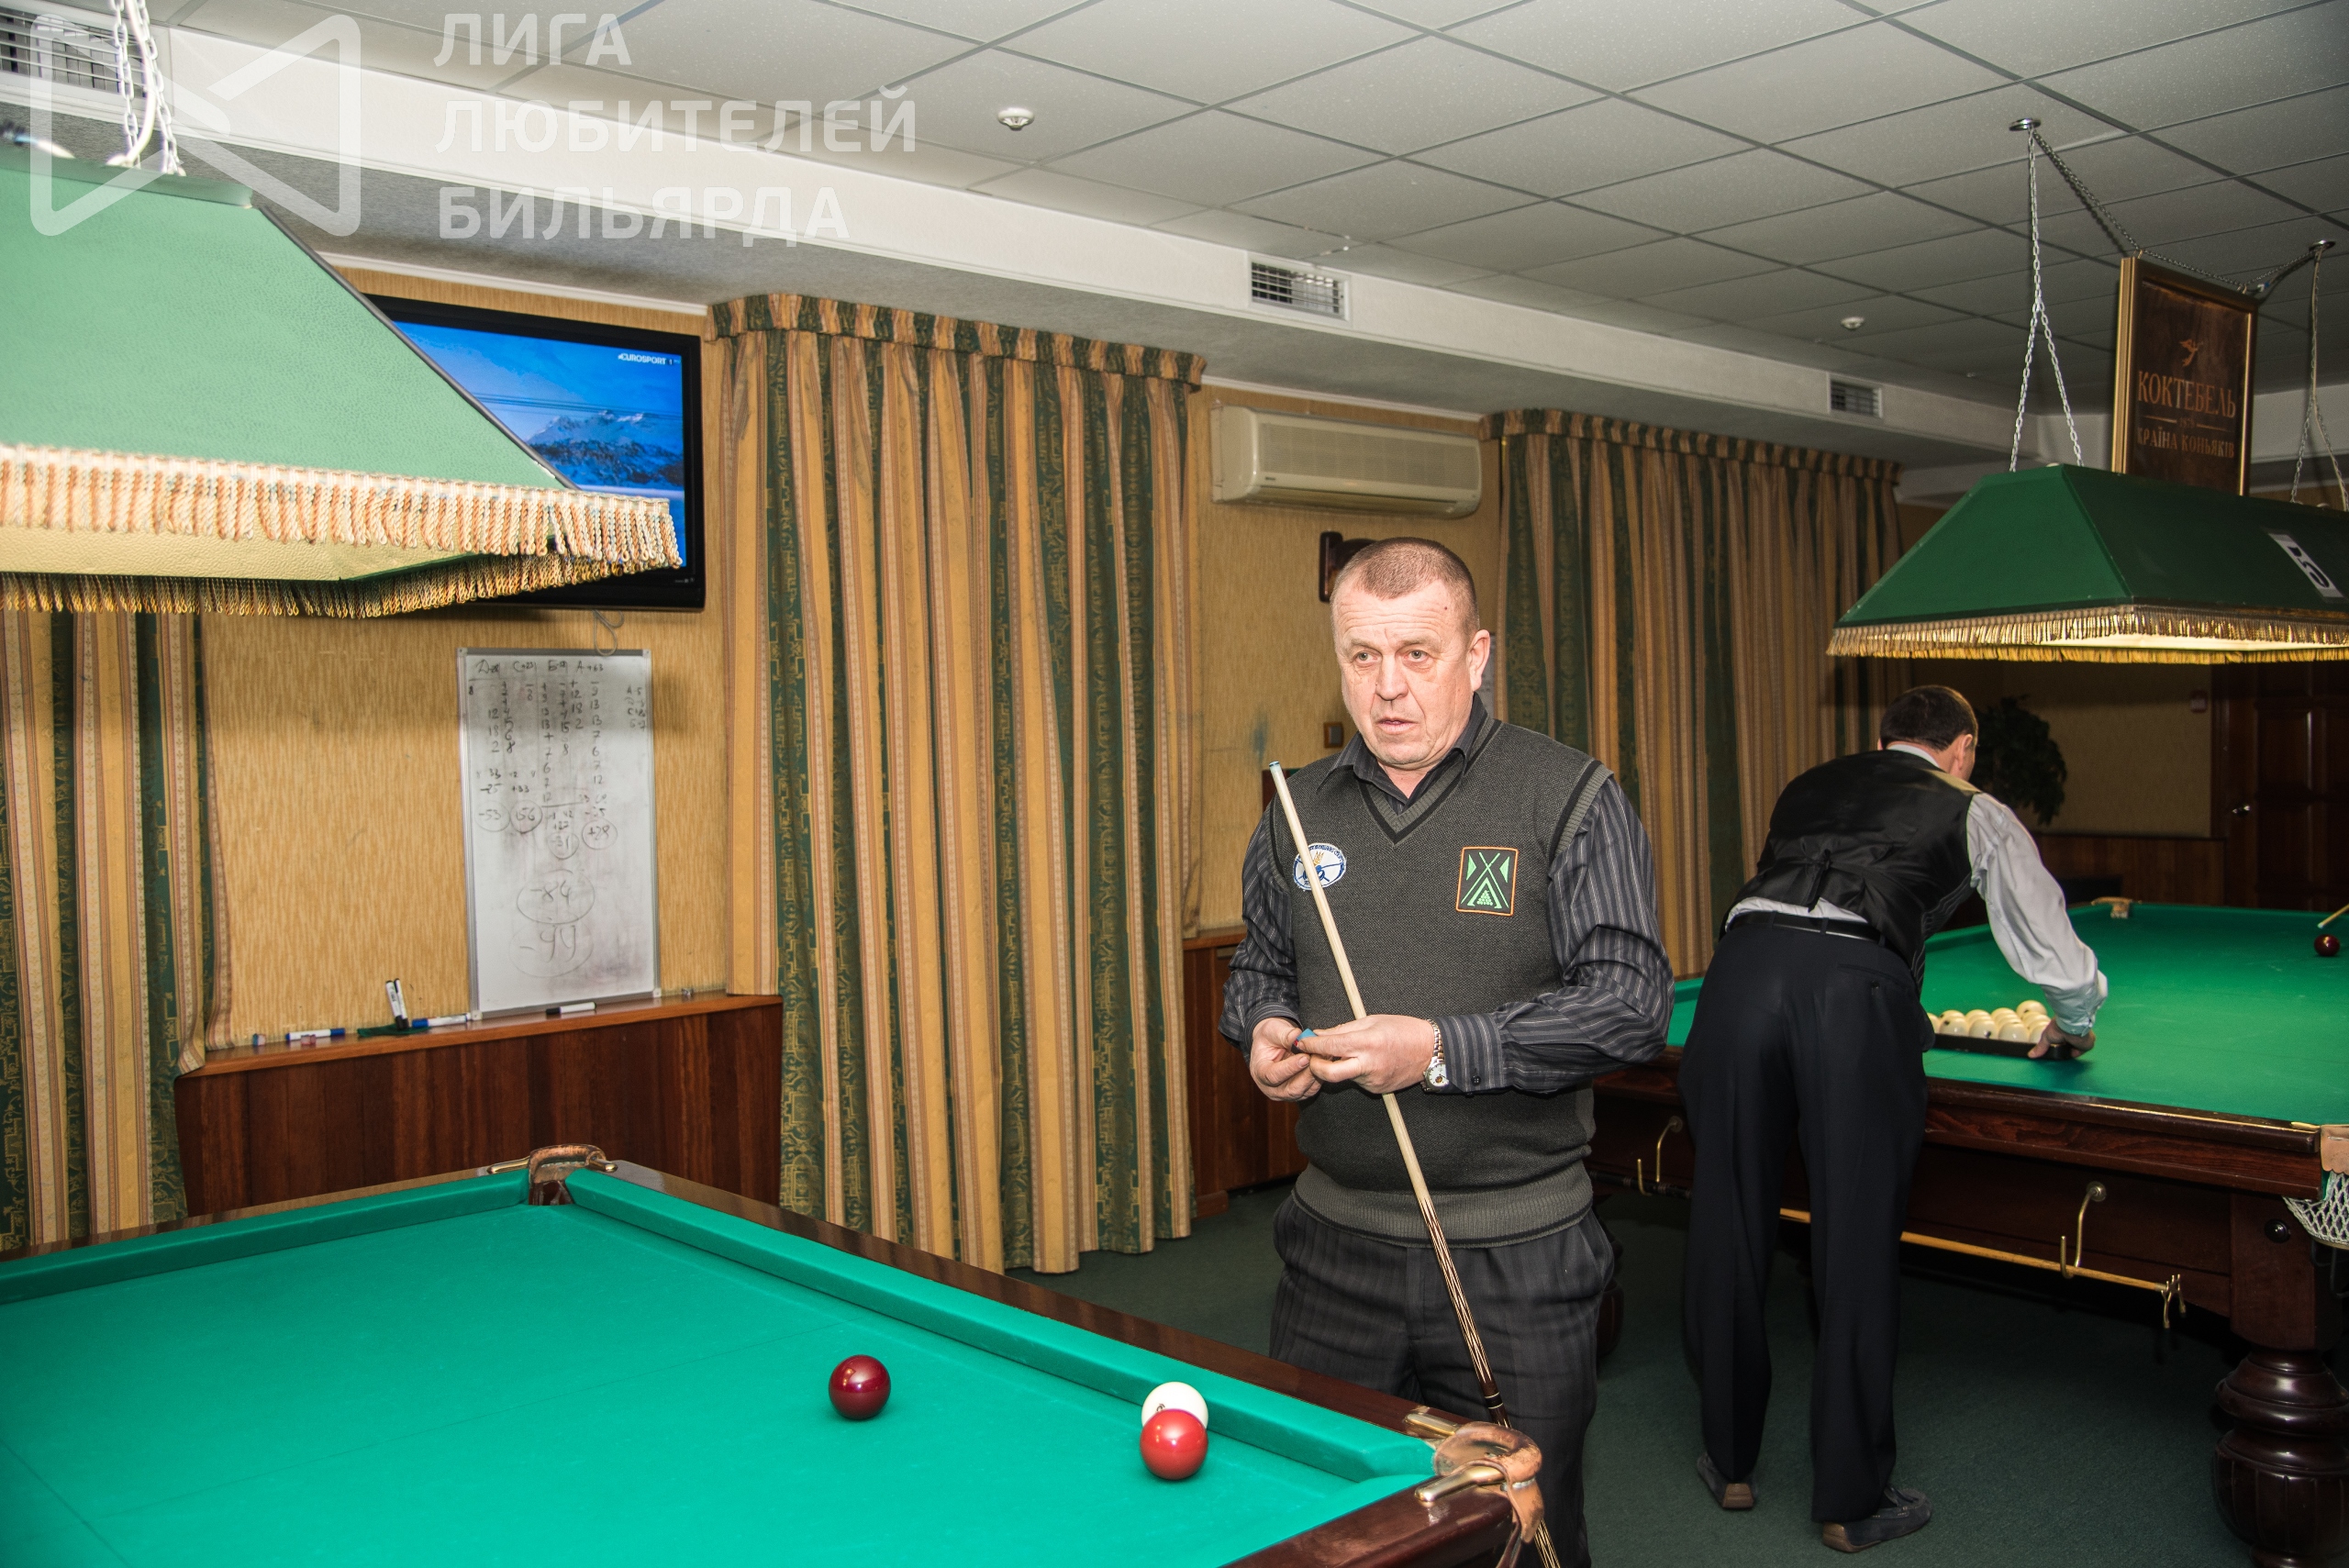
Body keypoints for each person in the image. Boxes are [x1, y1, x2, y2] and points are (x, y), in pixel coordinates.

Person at [1219, 537, 1673, 1567]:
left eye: (1417, 654)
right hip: (1332, 1251)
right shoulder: (1294, 809)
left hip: (1515, 1255)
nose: (1387, 686)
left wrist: (1437, 1048)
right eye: (1362, 656)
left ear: (1476, 654)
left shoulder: (1570, 796)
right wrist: (1266, 1030)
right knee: (1327, 1537)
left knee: (1522, 1535)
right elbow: (1258, 970)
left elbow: (1629, 1006)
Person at [1680, 684, 2107, 1552]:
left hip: (1736, 979)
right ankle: (1850, 1498)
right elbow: (2051, 950)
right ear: (1963, 750)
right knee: (1855, 1239)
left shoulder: (1808, 784)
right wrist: (2076, 1022)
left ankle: (1729, 1460)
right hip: (1853, 993)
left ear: (1882, 743)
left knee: (1726, 1221)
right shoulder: (1973, 806)